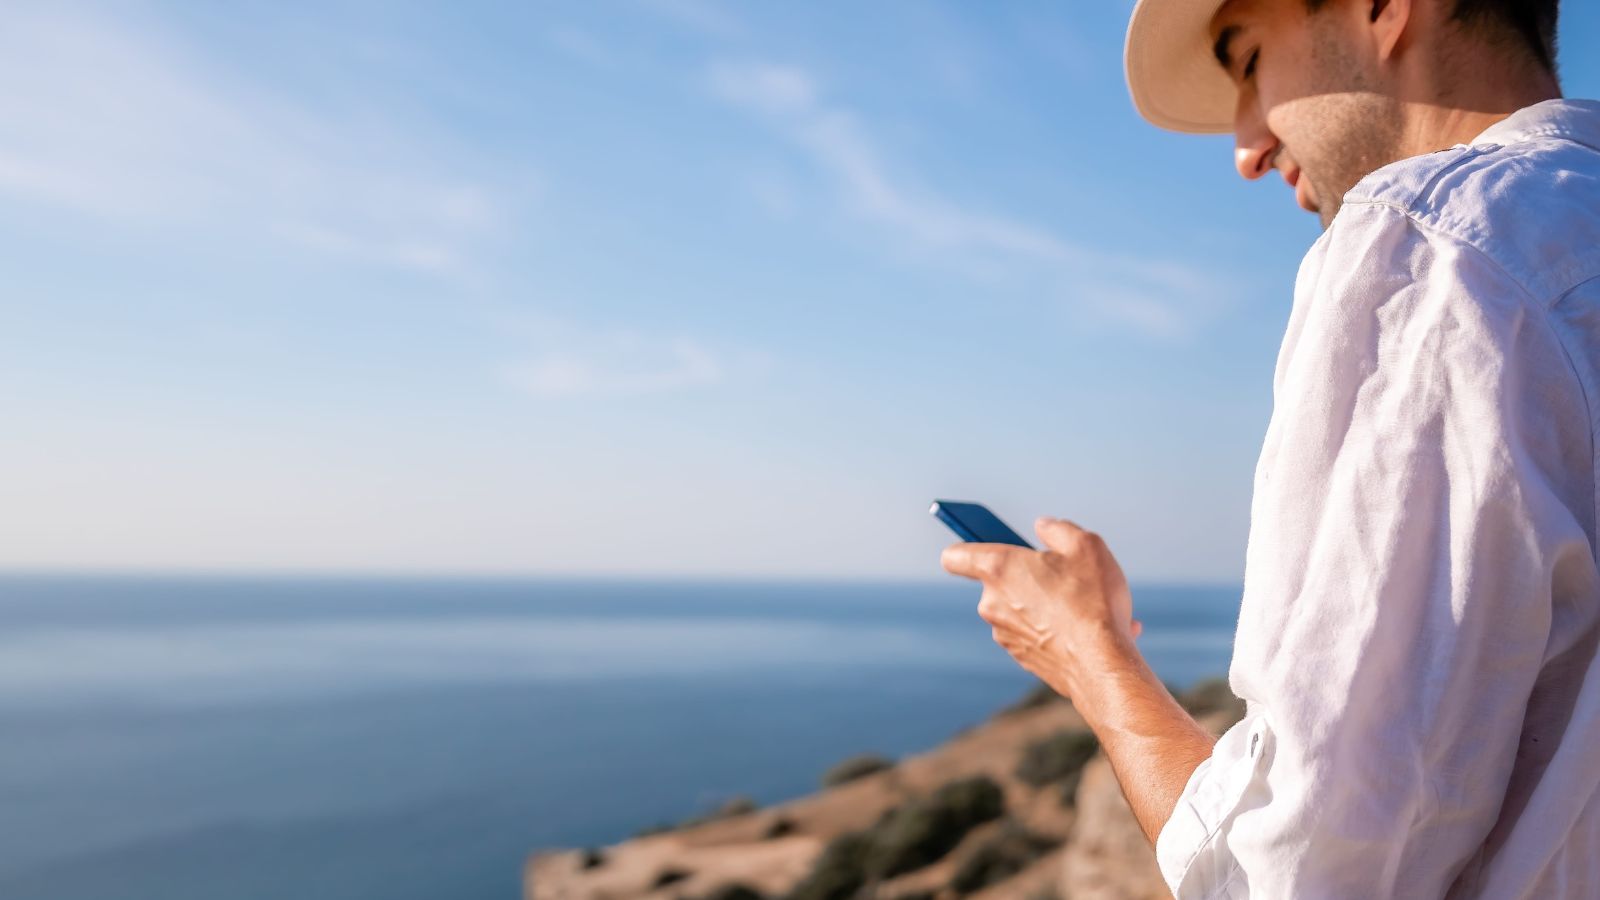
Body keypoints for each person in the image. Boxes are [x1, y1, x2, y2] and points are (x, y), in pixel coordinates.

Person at [940, 0, 1600, 895]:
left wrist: (1088, 653)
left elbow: (1294, 874)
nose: (1247, 148)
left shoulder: (1442, 251)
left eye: (1247, 61)